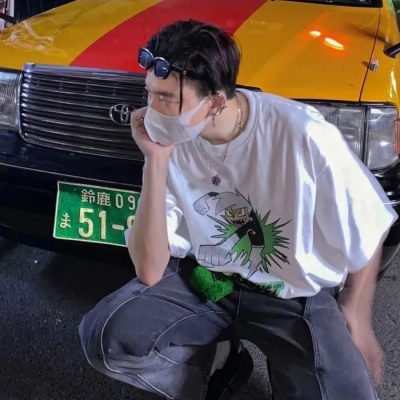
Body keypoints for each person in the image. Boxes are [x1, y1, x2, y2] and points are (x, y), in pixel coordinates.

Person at [79, 19, 398, 400]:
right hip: (205, 278)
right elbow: (149, 270)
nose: (151, 113)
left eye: (166, 99)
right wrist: (156, 162)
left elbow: (367, 225)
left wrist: (356, 314)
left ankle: (290, 373)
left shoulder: (304, 135)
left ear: (216, 102)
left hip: (292, 296)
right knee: (106, 339)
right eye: (149, 95)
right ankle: (213, 368)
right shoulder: (172, 137)